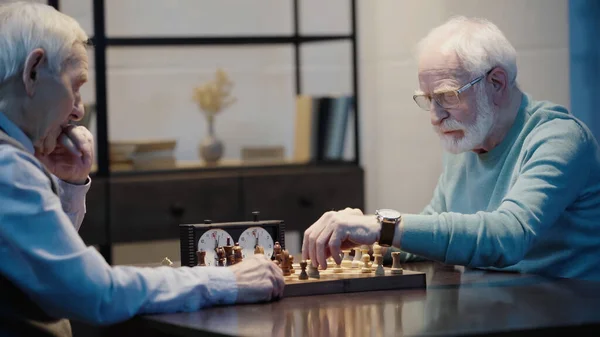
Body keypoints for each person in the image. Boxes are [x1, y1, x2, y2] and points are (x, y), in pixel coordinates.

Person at [0, 2, 284, 336]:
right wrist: (227, 280)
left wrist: (70, 186)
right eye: (75, 86)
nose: (78, 111)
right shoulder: (9, 168)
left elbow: (50, 272)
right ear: (33, 71)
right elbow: (96, 293)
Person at [303, 16, 600, 281]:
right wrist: (364, 237)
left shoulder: (560, 139)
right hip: (492, 313)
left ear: (496, 83)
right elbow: (437, 231)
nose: (435, 117)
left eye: (447, 96)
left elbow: (508, 235)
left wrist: (383, 226)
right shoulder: (468, 140)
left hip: (562, 317)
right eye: (429, 100)